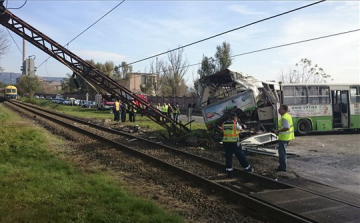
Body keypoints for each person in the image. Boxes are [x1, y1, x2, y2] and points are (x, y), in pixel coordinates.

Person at [222, 113, 253, 178]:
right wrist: (243, 127)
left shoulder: (224, 124)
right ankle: (247, 168)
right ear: (235, 119)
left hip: (226, 143)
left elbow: (223, 131)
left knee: (228, 157)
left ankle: (229, 172)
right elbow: (240, 128)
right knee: (240, 155)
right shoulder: (235, 124)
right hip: (234, 143)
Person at [274, 104, 295, 172]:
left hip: (284, 138)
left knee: (282, 153)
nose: (279, 109)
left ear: (284, 110)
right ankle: (282, 166)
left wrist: (278, 131)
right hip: (287, 137)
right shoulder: (287, 116)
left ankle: (282, 167)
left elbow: (287, 127)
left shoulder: (284, 118)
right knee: (283, 152)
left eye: (280, 108)